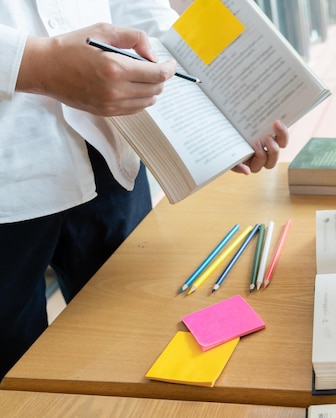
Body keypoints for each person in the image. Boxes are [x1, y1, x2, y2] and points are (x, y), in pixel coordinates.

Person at [0, 1, 288, 380]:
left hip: (109, 144)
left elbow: (136, 7)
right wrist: (38, 63)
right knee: (11, 371)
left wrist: (218, 119)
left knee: (133, 340)